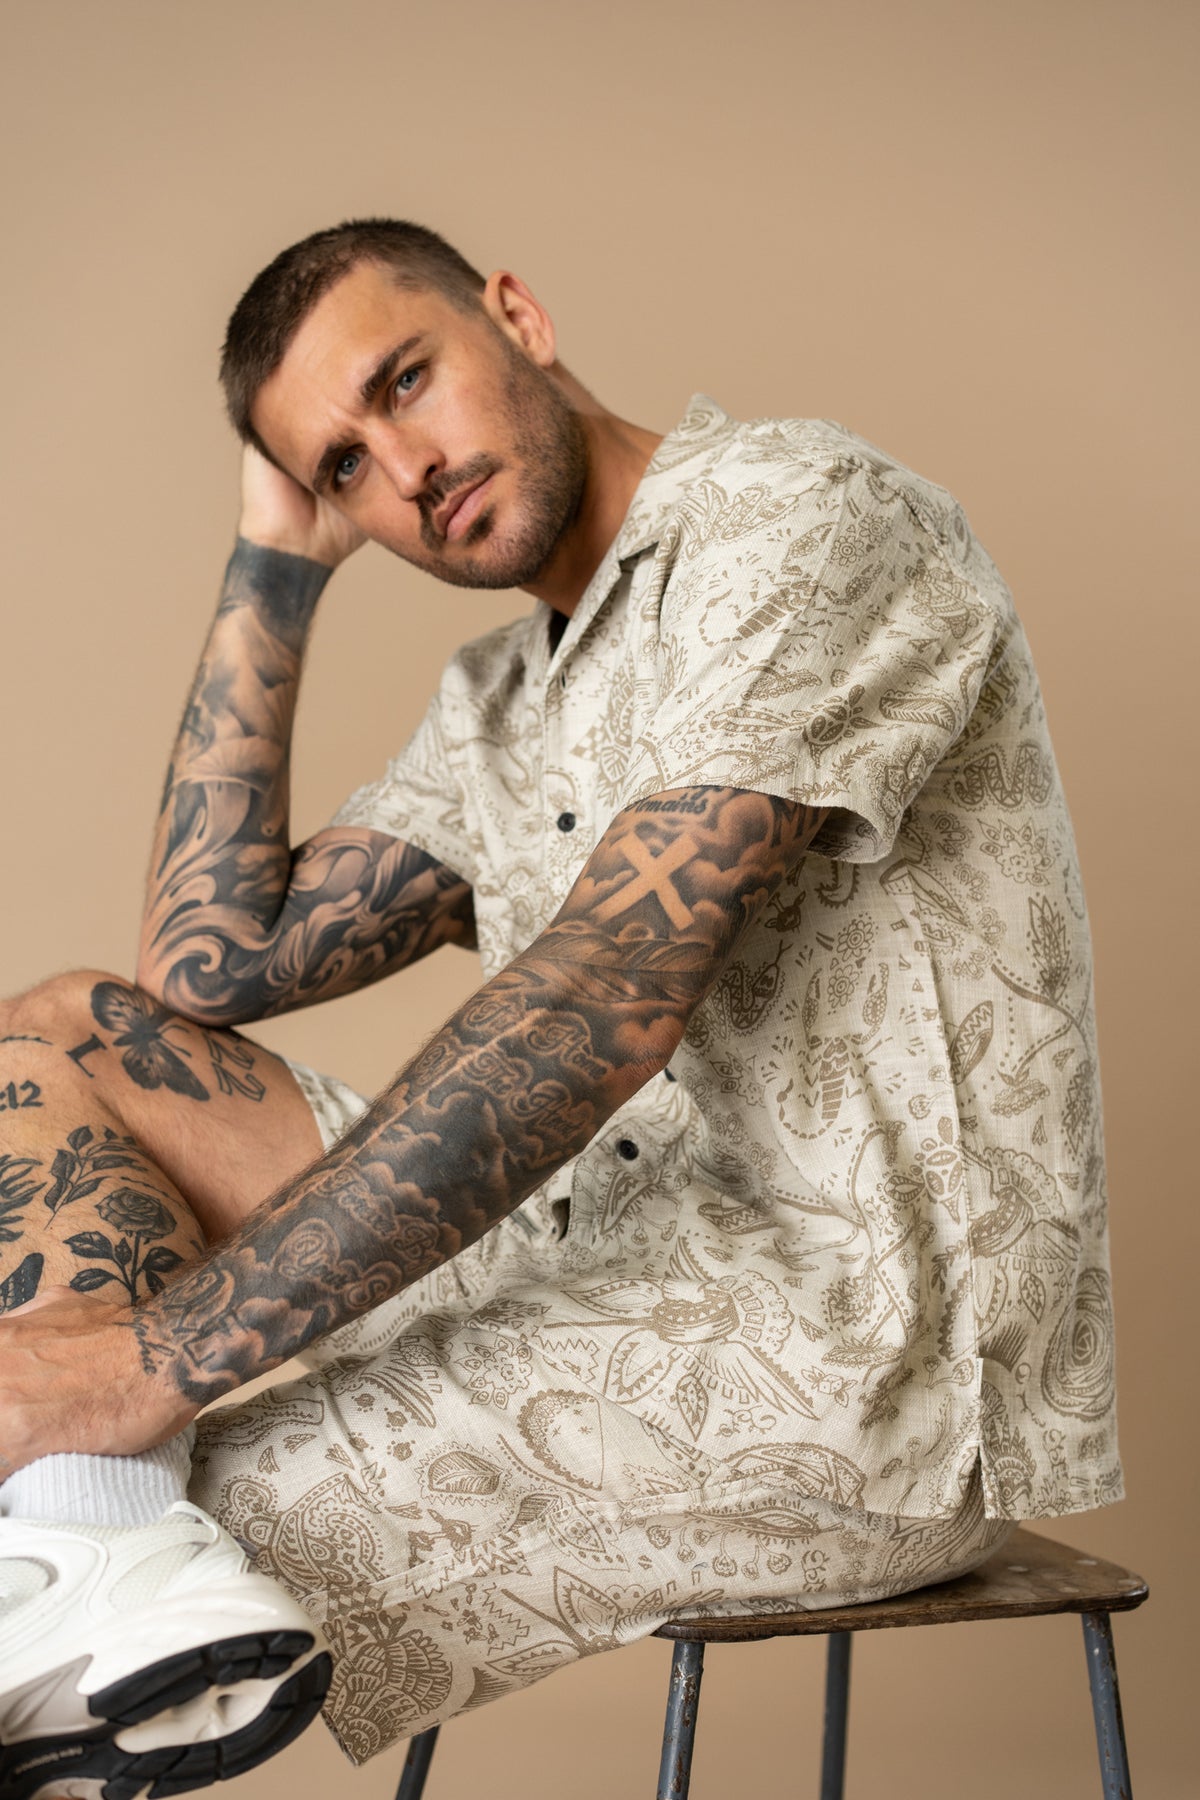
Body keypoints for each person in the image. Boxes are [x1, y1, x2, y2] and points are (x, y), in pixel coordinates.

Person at [0, 218, 1123, 1793]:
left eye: (407, 379)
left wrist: (136, 1366)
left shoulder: (805, 521)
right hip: (601, 1249)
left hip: (853, 1370)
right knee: (63, 1035)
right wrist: (275, 553)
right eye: (343, 466)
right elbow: (207, 963)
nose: (403, 468)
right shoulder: (504, 699)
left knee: (131, 1513)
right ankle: (76, 1541)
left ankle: (73, 1548)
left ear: (517, 316)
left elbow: (597, 1001)